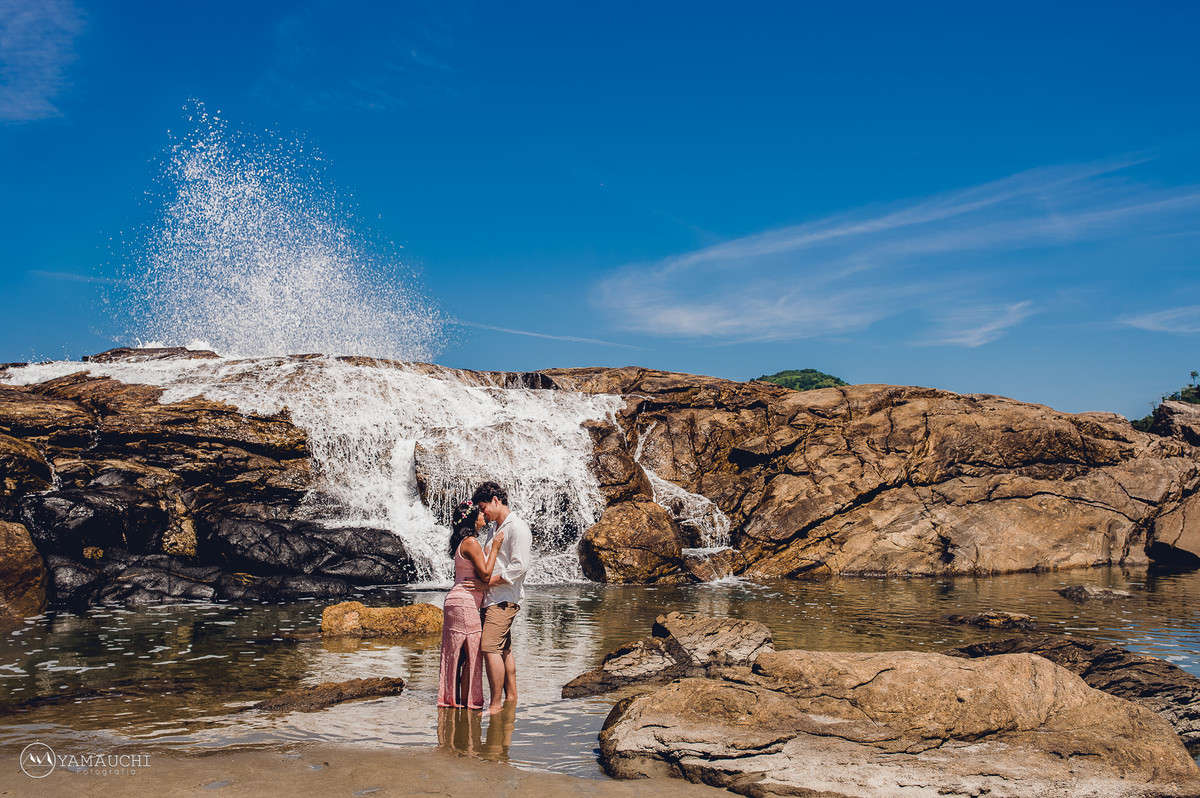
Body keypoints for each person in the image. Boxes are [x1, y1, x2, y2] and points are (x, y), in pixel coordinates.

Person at [467, 481, 532, 716]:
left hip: (504, 599)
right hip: (493, 598)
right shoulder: (496, 528)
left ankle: (494, 705)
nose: (482, 513)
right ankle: (511, 698)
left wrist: (487, 583)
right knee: (503, 649)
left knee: (490, 648)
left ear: (496, 500)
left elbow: (519, 567)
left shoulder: (517, 528)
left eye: (484, 507)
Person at [436, 500, 504, 709]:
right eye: (480, 512)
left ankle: (453, 701)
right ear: (473, 520)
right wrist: (494, 548)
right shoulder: (471, 542)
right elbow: (484, 573)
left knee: (458, 656)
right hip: (465, 602)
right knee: (472, 656)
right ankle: (468, 705)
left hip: (455, 600)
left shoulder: (461, 542)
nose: (484, 514)